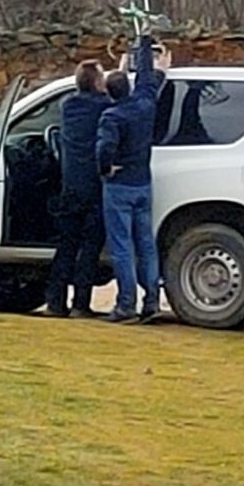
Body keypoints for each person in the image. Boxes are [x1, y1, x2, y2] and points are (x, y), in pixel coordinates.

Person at [96, 33, 170, 324]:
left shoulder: (112, 117)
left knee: (122, 246)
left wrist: (105, 169)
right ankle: (151, 300)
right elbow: (147, 81)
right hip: (143, 183)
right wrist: (144, 45)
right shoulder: (144, 105)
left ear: (108, 93)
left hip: (120, 185)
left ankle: (126, 304)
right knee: (146, 243)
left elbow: (104, 148)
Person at [44, 59, 112, 318]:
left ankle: (55, 301)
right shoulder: (105, 107)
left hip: (70, 184)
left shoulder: (68, 105)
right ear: (97, 82)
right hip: (95, 186)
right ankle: (80, 304)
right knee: (90, 247)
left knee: (67, 245)